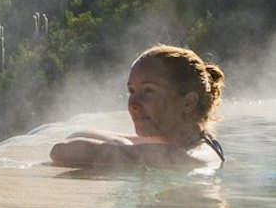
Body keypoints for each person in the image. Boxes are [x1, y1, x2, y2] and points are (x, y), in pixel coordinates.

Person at [50, 45, 225, 169]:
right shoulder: (187, 141)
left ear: (188, 103)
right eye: (131, 91)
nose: (133, 104)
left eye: (148, 91)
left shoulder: (184, 159)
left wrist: (122, 146)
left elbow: (60, 151)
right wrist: (124, 145)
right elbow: (78, 136)